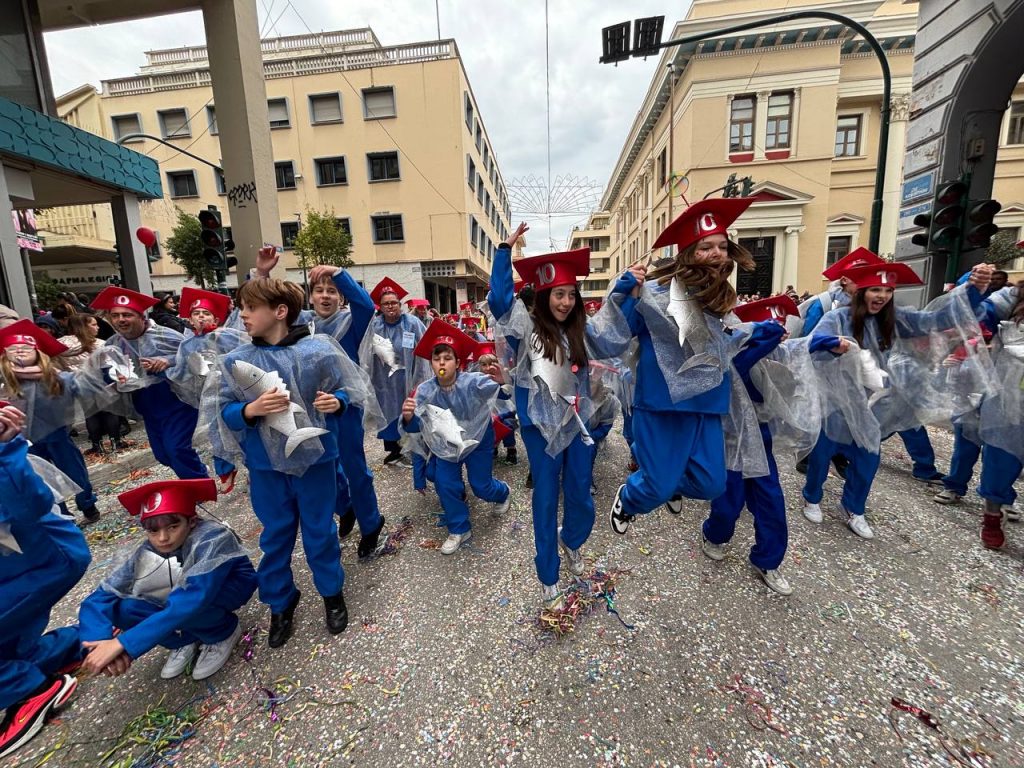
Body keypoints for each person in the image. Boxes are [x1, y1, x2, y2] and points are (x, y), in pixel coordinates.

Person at [489, 223, 641, 607]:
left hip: (576, 425)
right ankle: (548, 573)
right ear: (544, 295)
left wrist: (622, 290)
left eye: (571, 294)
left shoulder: (581, 330)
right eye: (558, 294)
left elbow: (611, 335)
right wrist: (503, 253)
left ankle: (571, 539)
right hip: (540, 430)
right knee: (545, 497)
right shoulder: (526, 328)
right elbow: (500, 302)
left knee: (579, 492)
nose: (565, 302)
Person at [607, 198, 780, 534]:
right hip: (661, 407)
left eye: (722, 246)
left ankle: (667, 482)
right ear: (687, 252)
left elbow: (722, 343)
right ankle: (629, 498)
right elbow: (616, 336)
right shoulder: (654, 291)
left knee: (711, 484)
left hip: (707, 405)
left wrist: (758, 331)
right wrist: (625, 295)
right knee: (655, 488)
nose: (717, 254)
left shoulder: (721, 298)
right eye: (705, 247)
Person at [206, 278, 350, 648]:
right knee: (275, 537)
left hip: (316, 461)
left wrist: (339, 402)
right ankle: (280, 601)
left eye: (251, 308)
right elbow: (221, 410)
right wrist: (249, 410)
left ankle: (331, 593)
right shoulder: (238, 361)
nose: (243, 314)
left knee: (320, 533)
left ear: (280, 312)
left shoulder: (318, 351)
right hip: (266, 467)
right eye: (243, 307)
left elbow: (349, 387)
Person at [802, 261, 993, 538]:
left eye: (888, 290)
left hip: (873, 402)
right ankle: (812, 496)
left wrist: (974, 291)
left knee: (868, 457)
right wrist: (834, 346)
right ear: (861, 291)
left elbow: (935, 320)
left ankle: (854, 507)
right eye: (875, 289)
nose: (882, 296)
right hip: (836, 400)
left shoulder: (895, 319)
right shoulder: (838, 318)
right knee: (822, 454)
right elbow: (813, 343)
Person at [77, 478, 257, 681]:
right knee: (123, 607)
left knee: (188, 605)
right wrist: (97, 643)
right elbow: (99, 598)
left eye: (173, 527)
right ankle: (183, 639)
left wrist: (123, 643)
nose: (162, 538)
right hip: (183, 593)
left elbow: (193, 598)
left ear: (192, 521)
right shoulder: (147, 549)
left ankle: (222, 632)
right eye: (153, 530)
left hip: (223, 589)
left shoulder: (212, 538)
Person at [701, 295, 810, 596]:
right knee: (728, 501)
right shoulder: (736, 355)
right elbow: (742, 363)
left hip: (761, 441)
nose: (779, 331)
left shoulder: (776, 354)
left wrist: (835, 345)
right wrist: (769, 333)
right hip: (730, 441)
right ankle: (714, 535)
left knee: (771, 500)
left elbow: (807, 347)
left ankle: (768, 559)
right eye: (769, 325)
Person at [0, 405, 89, 760]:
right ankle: (71, 646)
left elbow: (30, 502)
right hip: (18, 567)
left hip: (44, 559)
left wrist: (6, 449)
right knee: (10, 634)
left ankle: (30, 688)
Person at [401, 321, 511, 553]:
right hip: (446, 446)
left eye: (447, 357)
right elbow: (417, 430)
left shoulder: (473, 381)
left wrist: (503, 380)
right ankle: (459, 528)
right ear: (431, 363)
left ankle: (503, 492)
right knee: (445, 483)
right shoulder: (425, 391)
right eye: (436, 358)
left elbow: (502, 392)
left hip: (478, 440)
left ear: (458, 363)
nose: (441, 362)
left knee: (481, 486)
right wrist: (409, 418)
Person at [304, 264, 388, 557]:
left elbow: (365, 303)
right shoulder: (302, 325)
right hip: (311, 409)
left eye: (332, 291)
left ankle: (371, 523)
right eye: (319, 290)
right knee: (323, 468)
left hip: (346, 406)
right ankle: (345, 506)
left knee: (354, 468)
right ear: (310, 296)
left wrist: (337, 272)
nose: (325, 296)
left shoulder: (352, 323)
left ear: (341, 298)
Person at [93, 286, 209, 480]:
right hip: (147, 408)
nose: (121, 320)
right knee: (163, 455)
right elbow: (106, 374)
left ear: (140, 316)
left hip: (177, 403)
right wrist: (114, 377)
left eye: (127, 315)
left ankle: (200, 484)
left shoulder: (166, 335)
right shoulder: (112, 344)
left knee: (176, 450)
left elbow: (197, 360)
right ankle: (195, 472)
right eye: (115, 316)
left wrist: (168, 362)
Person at [0, 320, 109, 524]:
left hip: (57, 434)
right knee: (42, 478)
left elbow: (84, 386)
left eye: (26, 348)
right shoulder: (5, 382)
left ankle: (88, 505)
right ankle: (61, 514)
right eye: (13, 349)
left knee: (74, 472)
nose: (20, 352)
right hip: (24, 441)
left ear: (38, 353)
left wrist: (106, 375)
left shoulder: (56, 378)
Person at [165, 287, 249, 491]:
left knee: (243, 432)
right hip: (209, 396)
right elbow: (181, 372)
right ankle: (226, 470)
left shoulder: (227, 336)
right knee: (216, 434)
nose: (201, 317)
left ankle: (252, 468)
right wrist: (164, 368)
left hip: (235, 393)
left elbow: (246, 354)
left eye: (206, 313)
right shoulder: (186, 345)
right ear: (190, 319)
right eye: (196, 313)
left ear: (216, 319)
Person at [973, 280, 1024, 548]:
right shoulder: (1012, 297)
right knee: (998, 462)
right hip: (1009, 401)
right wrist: (973, 288)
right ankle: (992, 516)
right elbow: (975, 312)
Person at [362, 278, 429, 466]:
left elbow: (424, 348)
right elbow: (367, 352)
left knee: (409, 409)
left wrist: (421, 378)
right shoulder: (374, 326)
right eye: (386, 304)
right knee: (388, 411)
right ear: (380, 307)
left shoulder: (413, 323)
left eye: (393, 303)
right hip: (384, 380)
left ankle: (413, 447)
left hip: (408, 376)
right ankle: (394, 451)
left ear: (400, 305)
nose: (390, 306)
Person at [59, 313, 124, 455]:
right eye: (94, 324)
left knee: (90, 414)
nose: (98, 327)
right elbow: (109, 365)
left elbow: (58, 365)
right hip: (101, 383)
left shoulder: (61, 345)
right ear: (84, 326)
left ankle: (97, 445)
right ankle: (115, 443)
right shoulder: (99, 344)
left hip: (78, 383)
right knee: (110, 412)